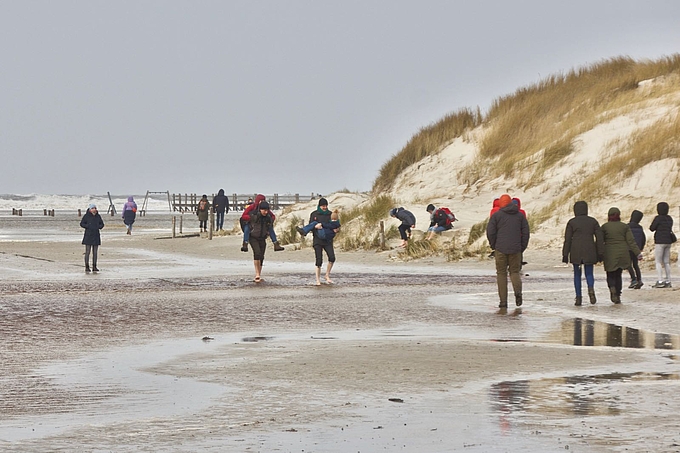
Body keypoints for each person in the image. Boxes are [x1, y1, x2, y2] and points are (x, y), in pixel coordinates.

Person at [486, 194, 530, 309]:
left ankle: (503, 302)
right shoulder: (520, 216)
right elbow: (526, 233)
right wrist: (522, 247)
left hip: (500, 248)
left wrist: (494, 245)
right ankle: (518, 293)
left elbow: (490, 232)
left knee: (501, 274)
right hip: (516, 249)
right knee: (514, 272)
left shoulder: (496, 216)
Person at [562, 201, 604, 306]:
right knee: (589, 273)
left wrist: (565, 254)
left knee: (577, 274)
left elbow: (567, 239)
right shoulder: (593, 221)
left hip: (576, 250)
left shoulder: (572, 222)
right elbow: (599, 238)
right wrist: (600, 252)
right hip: (590, 249)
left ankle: (578, 297)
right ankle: (590, 288)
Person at [601, 207, 642, 304]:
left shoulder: (604, 227)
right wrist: (637, 253)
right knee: (618, 274)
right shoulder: (624, 226)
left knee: (610, 274)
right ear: (619, 215)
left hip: (609, 253)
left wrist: (598, 253)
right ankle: (618, 295)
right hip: (623, 253)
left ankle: (612, 288)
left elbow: (600, 241)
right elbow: (631, 242)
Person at [310, 198, 338, 285]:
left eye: (326, 206)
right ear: (319, 206)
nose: (325, 207)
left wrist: (336, 229)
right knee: (319, 260)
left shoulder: (331, 214)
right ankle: (318, 280)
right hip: (317, 240)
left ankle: (327, 275)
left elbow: (335, 224)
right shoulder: (314, 214)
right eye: (323, 206)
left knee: (332, 257)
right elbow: (311, 226)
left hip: (328, 240)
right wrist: (315, 227)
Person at [248, 201, 276, 283]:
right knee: (257, 253)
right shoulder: (254, 215)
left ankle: (259, 274)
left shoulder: (268, 217)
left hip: (262, 238)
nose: (266, 212)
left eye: (267, 210)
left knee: (262, 256)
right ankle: (257, 274)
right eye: (264, 210)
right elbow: (245, 219)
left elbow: (270, 226)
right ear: (260, 209)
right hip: (253, 237)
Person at [649, 201, 674, 288]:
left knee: (658, 262)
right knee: (667, 262)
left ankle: (660, 280)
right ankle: (668, 280)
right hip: (668, 241)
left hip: (660, 241)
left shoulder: (658, 218)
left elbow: (652, 228)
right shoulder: (669, 218)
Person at [80, 204, 105, 273]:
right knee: (87, 252)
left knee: (95, 252)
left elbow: (102, 224)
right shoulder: (86, 216)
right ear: (90, 209)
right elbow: (82, 224)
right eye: (93, 208)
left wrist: (99, 226)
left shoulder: (98, 216)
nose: (94, 209)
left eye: (95, 208)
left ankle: (94, 266)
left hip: (96, 235)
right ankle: (87, 266)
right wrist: (88, 226)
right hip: (88, 235)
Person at [627, 210, 646, 289]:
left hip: (628, 248)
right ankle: (639, 280)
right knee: (635, 265)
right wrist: (640, 248)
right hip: (636, 248)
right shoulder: (640, 227)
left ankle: (633, 279)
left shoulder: (627, 226)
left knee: (628, 264)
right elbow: (643, 238)